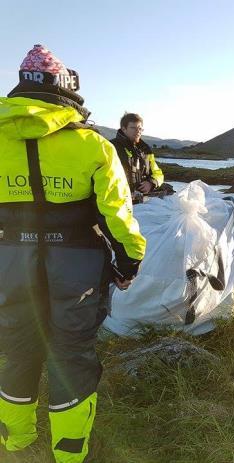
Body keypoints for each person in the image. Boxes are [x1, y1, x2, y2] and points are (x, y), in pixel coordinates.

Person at [0, 44, 146, 463]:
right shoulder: (93, 145)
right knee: (72, 353)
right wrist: (128, 262)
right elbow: (118, 216)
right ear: (67, 90)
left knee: (17, 346)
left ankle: (15, 440)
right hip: (76, 266)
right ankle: (69, 451)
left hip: (10, 262)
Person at [110, 112, 164, 202]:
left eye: (140, 128)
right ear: (124, 129)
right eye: (133, 128)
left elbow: (158, 173)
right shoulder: (110, 147)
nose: (138, 131)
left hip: (141, 201)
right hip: (118, 201)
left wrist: (151, 183)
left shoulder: (145, 150)